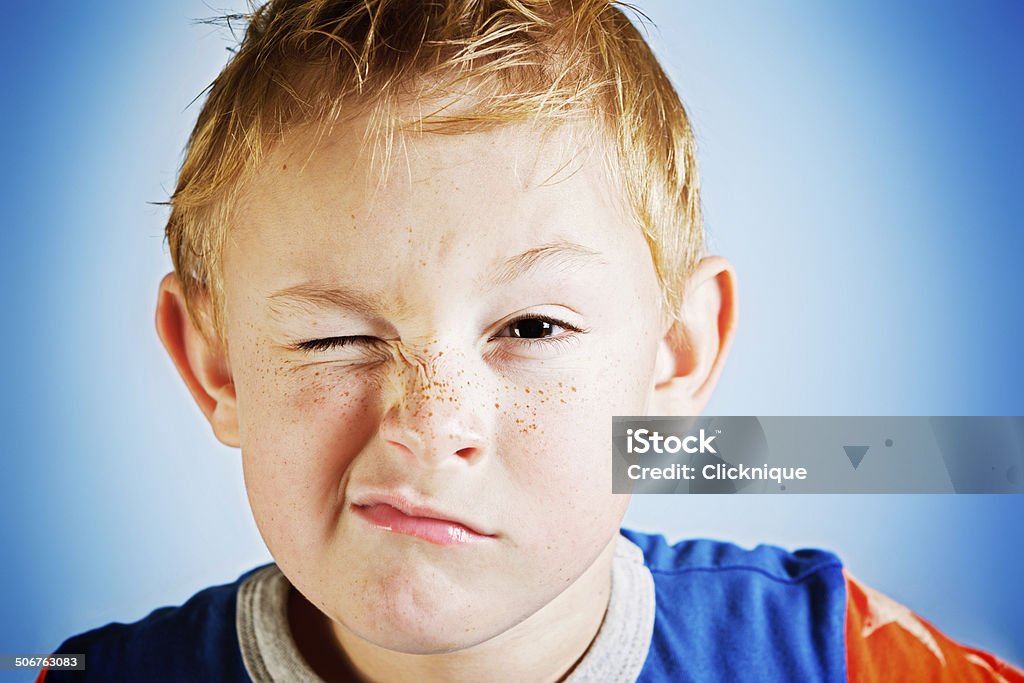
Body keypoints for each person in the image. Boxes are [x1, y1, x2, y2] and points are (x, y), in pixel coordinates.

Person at [42, 1, 1023, 681]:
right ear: (215, 366)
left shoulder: (838, 655)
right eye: (337, 336)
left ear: (675, 354)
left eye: (531, 326)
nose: (430, 425)